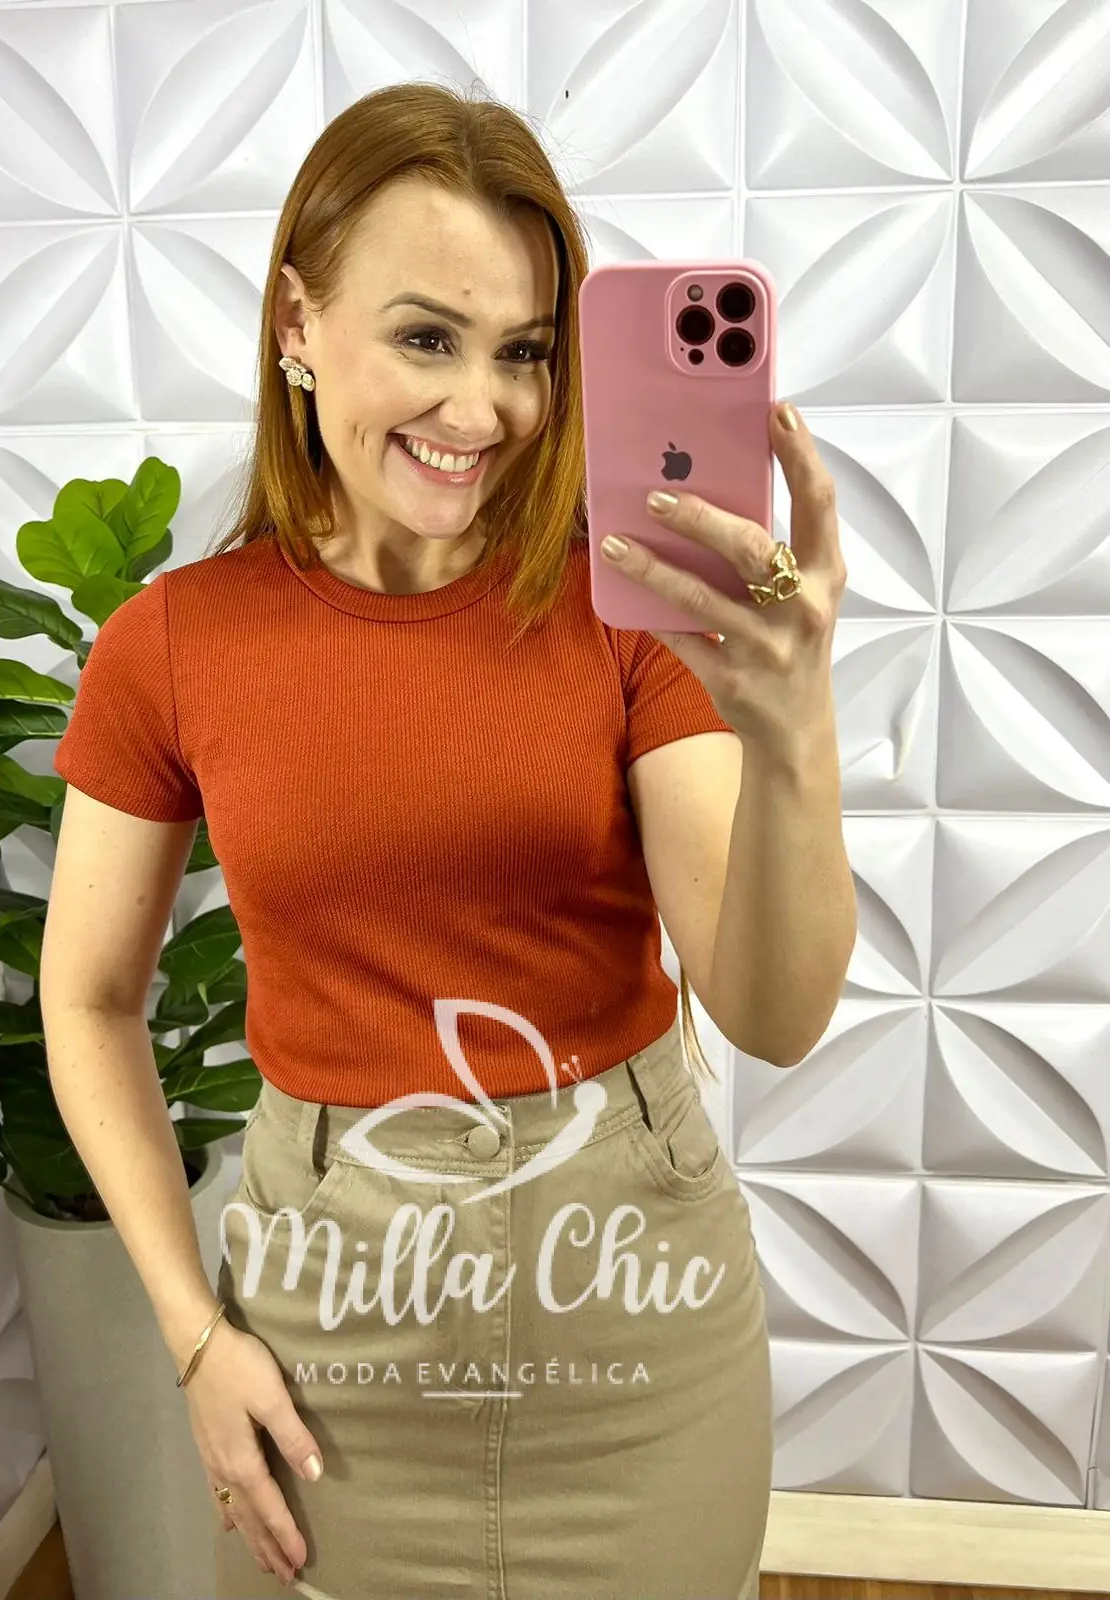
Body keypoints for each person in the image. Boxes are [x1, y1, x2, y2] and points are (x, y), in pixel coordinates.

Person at [42, 80, 855, 1600]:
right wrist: (194, 1336)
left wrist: (793, 723)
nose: (482, 412)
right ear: (298, 321)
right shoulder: (172, 645)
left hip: (633, 1318)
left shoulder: (631, 613)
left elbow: (773, 1011)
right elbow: (87, 1000)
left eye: (524, 352)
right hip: (327, 1340)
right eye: (427, 338)